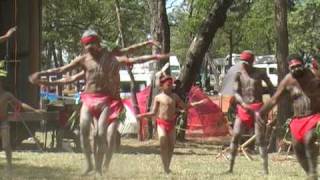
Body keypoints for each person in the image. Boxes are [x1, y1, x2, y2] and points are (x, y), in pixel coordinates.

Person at [29, 29, 170, 176]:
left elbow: (134, 57)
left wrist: (157, 55)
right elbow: (62, 72)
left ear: (98, 43)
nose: (90, 48)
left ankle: (101, 166)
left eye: (92, 45)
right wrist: (42, 76)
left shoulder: (111, 58)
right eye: (87, 46)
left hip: (108, 101)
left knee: (103, 134)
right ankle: (90, 164)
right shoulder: (83, 60)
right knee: (85, 130)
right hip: (89, 99)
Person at [256, 54, 320, 180]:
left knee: (309, 139)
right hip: (298, 120)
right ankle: (311, 174)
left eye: (298, 66)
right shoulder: (287, 81)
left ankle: (312, 170)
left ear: (303, 65)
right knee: (297, 149)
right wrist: (261, 112)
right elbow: (274, 100)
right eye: (293, 67)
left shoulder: (315, 75)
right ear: (289, 68)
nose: (296, 69)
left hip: (315, 116)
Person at [136, 75, 206, 174]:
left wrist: (198, 103)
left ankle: (167, 167)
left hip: (171, 124)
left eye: (171, 84)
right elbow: (153, 113)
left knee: (171, 147)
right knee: (163, 142)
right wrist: (141, 115)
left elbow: (185, 106)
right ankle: (166, 168)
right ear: (162, 86)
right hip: (161, 123)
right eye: (168, 84)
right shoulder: (158, 97)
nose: (170, 86)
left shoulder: (175, 97)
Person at [227, 50, 274, 174]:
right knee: (236, 135)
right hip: (243, 108)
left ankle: (265, 170)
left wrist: (271, 104)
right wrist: (242, 103)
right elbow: (236, 92)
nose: (243, 64)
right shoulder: (238, 74)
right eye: (242, 62)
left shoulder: (260, 73)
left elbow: (271, 88)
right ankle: (230, 168)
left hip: (258, 108)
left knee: (260, 138)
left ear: (252, 61)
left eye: (246, 62)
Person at [0, 64, 41, 173]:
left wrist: (34, 110)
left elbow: (20, 103)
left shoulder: (6, 95)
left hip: (3, 122)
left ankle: (9, 166)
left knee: (6, 145)